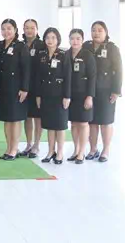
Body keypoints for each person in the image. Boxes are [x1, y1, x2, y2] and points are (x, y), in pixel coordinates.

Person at [84, 21, 122, 163]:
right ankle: (93, 149)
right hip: (89, 90)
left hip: (106, 90)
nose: (96, 33)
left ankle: (106, 150)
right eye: (94, 30)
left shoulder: (112, 48)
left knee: (105, 121)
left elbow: (119, 70)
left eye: (100, 30)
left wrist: (116, 91)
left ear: (106, 32)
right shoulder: (86, 46)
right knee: (92, 121)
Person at [34, 27, 71, 165]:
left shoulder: (63, 54)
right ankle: (50, 151)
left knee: (60, 125)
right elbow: (38, 76)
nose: (50, 40)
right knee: (49, 125)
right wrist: (38, 95)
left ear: (58, 39)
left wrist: (67, 96)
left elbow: (68, 77)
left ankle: (60, 153)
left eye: (53, 38)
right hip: (46, 94)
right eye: (48, 37)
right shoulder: (41, 55)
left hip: (60, 94)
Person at [0, 18, 30, 161]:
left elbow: (26, 69)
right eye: (3, 29)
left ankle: (14, 149)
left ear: (15, 30)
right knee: (7, 119)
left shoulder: (21, 46)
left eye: (9, 28)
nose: (6, 32)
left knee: (15, 119)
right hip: (3, 87)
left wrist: (24, 88)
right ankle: (8, 147)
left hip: (16, 88)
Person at [67, 29, 96, 164]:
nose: (75, 41)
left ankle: (82, 152)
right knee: (74, 123)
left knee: (83, 123)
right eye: (72, 38)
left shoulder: (87, 55)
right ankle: (76, 149)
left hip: (84, 94)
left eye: (78, 38)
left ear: (82, 40)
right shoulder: (66, 54)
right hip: (70, 94)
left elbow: (92, 77)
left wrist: (90, 96)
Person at [21, 19, 46, 158]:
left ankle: (36, 145)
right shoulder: (21, 44)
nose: (29, 30)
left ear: (37, 29)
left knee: (37, 117)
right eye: (27, 28)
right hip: (24, 86)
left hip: (38, 85)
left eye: (32, 28)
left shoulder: (42, 45)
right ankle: (28, 144)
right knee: (27, 116)